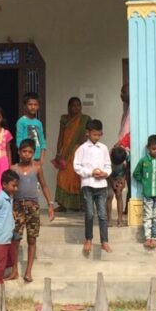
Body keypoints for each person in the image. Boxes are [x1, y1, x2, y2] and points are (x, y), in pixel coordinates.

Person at [11, 138, 55, 282]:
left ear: (33, 153)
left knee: (32, 238)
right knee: (15, 238)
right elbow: (7, 189)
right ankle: (14, 270)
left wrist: (50, 205)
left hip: (33, 206)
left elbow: (44, 186)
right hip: (17, 206)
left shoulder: (37, 168)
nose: (27, 154)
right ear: (19, 152)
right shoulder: (13, 169)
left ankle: (28, 271)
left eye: (30, 152)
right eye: (24, 151)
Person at [74, 119, 112, 256]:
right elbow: (76, 166)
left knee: (102, 214)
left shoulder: (104, 148)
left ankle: (104, 241)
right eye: (94, 134)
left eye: (99, 134)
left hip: (101, 185)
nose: (96, 137)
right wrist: (90, 172)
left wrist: (104, 173)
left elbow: (108, 166)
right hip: (88, 185)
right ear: (88, 134)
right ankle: (88, 238)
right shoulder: (82, 149)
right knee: (89, 213)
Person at [53, 96, 89, 212]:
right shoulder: (64, 119)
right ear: (69, 107)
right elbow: (61, 136)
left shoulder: (85, 119)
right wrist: (58, 152)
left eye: (78, 105)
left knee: (78, 177)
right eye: (73, 105)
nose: (76, 108)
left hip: (79, 151)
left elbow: (89, 134)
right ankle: (63, 204)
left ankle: (80, 205)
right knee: (62, 177)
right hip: (66, 152)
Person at [15, 93, 47, 165]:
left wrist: (41, 159)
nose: (33, 107)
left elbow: (42, 142)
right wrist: (24, 155)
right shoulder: (21, 121)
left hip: (37, 158)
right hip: (25, 158)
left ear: (38, 106)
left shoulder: (38, 123)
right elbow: (19, 142)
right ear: (25, 106)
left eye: (35, 104)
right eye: (30, 104)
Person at [108, 144, 130, 227]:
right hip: (109, 175)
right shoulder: (107, 156)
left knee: (119, 194)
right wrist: (112, 181)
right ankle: (109, 220)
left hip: (120, 175)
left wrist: (123, 179)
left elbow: (127, 168)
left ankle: (120, 220)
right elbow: (105, 170)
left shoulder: (127, 155)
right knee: (109, 195)